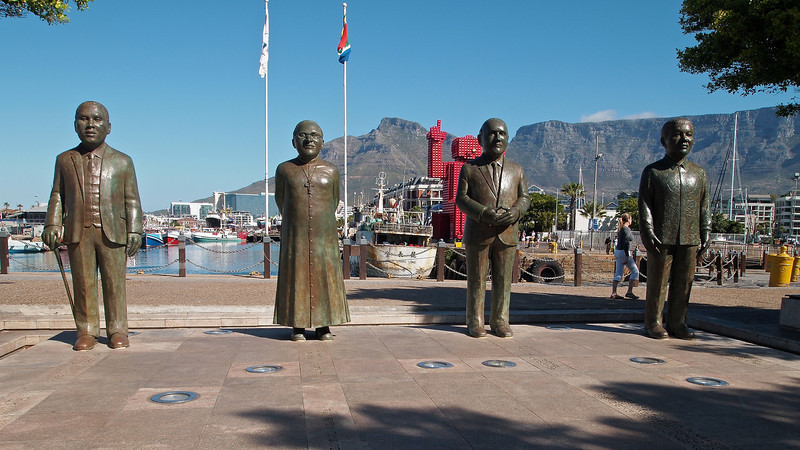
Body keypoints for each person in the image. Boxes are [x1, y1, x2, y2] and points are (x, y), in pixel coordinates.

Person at [42, 101, 143, 351]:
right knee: (83, 283)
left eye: (97, 119)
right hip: (78, 230)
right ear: (75, 125)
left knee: (114, 282)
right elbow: (57, 195)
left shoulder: (123, 161)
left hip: (113, 231)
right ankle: (86, 330)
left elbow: (132, 200)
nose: (90, 125)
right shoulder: (64, 160)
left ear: (108, 127)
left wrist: (135, 230)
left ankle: (117, 329)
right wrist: (52, 223)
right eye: (83, 119)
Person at [274, 120, 350, 341]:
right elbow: (282, 202)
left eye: (315, 135)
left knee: (325, 278)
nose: (309, 140)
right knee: (295, 277)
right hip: (295, 236)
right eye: (303, 135)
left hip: (323, 237)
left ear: (323, 142)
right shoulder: (284, 170)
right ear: (293, 141)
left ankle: (323, 325)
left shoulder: (332, 171)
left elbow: (334, 202)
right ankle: (297, 325)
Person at [456, 118, 530, 338]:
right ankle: (475, 321)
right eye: (492, 133)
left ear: (507, 139)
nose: (497, 137)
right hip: (478, 233)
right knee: (476, 279)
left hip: (507, 233)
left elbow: (525, 197)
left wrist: (516, 211)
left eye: (502, 134)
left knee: (503, 280)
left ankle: (500, 320)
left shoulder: (517, 170)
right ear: (480, 139)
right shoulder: (469, 169)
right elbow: (461, 199)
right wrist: (482, 212)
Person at [639, 118, 710, 340]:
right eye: (677, 134)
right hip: (662, 235)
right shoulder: (653, 172)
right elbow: (645, 205)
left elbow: (704, 206)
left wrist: (706, 231)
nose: (684, 139)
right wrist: (648, 231)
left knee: (684, 282)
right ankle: (653, 322)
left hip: (690, 236)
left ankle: (678, 322)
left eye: (688, 134)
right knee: (657, 282)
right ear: (664, 141)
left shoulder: (699, 174)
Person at [609, 213, 639, 300]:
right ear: (628, 219)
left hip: (618, 251)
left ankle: (614, 293)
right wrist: (627, 255)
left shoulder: (621, 229)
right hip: (623, 252)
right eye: (631, 218)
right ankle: (629, 292)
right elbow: (626, 243)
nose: (632, 220)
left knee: (618, 273)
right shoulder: (626, 230)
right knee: (635, 271)